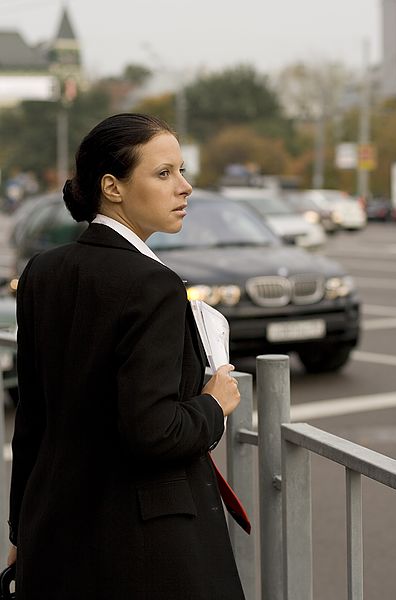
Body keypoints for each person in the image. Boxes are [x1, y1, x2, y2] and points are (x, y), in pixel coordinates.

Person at [6, 113, 246, 599]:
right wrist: (212, 405)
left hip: (56, 530)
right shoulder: (151, 284)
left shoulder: (43, 272)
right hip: (148, 548)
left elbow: (33, 420)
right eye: (164, 174)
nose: (185, 187)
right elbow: (153, 432)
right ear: (112, 186)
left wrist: (20, 532)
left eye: (181, 171)